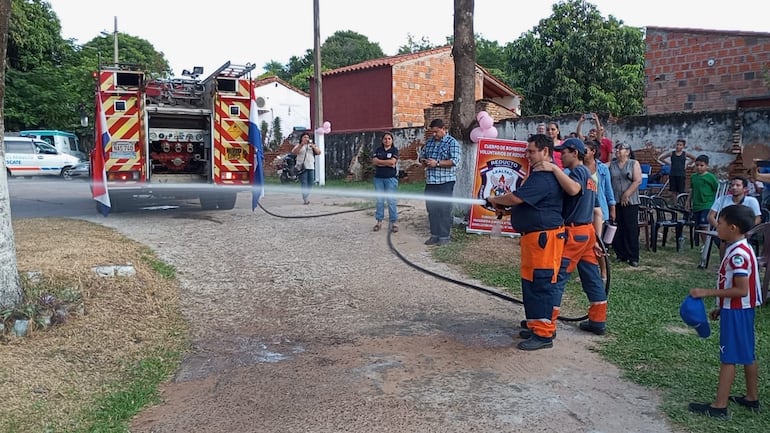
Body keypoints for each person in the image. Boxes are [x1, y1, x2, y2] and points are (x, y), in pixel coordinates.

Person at [487, 134, 565, 351]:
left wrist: (495, 199)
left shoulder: (544, 178)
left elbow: (516, 198)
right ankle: (535, 324)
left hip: (545, 240)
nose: (527, 155)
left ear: (546, 152)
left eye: (531, 151)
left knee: (541, 283)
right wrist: (509, 209)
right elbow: (527, 204)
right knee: (531, 282)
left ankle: (543, 335)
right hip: (535, 239)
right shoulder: (538, 175)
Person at [524, 138, 608, 337]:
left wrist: (553, 170)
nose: (561, 156)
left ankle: (546, 323)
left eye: (564, 152)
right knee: (592, 277)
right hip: (587, 232)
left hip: (573, 234)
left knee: (556, 277)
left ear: (575, 153)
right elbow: (597, 212)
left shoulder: (578, 172)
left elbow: (572, 190)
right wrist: (596, 238)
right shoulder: (590, 178)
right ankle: (598, 321)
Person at [688, 204, 762, 419]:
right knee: (747, 354)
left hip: (738, 311)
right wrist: (722, 306)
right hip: (740, 309)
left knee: (728, 357)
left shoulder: (738, 254)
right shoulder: (742, 247)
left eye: (719, 223)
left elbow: (740, 289)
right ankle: (751, 397)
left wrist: (706, 292)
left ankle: (719, 406)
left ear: (733, 227)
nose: (716, 226)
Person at [419, 119, 460, 246]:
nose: (434, 135)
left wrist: (436, 163)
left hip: (445, 182)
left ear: (444, 129)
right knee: (432, 209)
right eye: (432, 132)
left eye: (436, 132)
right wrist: (424, 161)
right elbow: (422, 156)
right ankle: (434, 235)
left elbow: (454, 161)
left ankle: (444, 236)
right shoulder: (429, 142)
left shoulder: (452, 143)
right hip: (431, 181)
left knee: (444, 209)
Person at [584, 139, 616, 281]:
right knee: (586, 243)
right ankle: (589, 271)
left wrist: (612, 208)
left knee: (597, 242)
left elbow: (608, 190)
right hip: (584, 209)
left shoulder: (602, 169)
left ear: (593, 152)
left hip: (599, 209)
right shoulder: (577, 167)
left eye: (586, 150)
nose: (582, 153)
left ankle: (603, 271)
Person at [609, 142, 642, 267]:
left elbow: (637, 180)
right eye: (616, 148)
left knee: (630, 228)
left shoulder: (633, 163)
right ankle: (620, 254)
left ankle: (633, 256)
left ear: (627, 151)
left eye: (620, 149)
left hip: (630, 200)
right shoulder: (612, 164)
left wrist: (626, 194)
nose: (617, 150)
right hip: (616, 200)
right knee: (618, 228)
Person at [371, 132, 399, 233]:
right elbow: (374, 162)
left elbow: (392, 162)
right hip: (378, 179)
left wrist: (380, 162)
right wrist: (386, 163)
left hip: (390, 179)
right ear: (382, 140)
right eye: (385, 139)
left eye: (389, 139)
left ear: (392, 140)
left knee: (391, 201)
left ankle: (394, 223)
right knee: (379, 201)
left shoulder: (394, 150)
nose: (387, 140)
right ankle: (379, 222)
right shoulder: (378, 150)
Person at [690, 155, 719, 246]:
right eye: (697, 165)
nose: (699, 167)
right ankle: (704, 244)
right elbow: (692, 190)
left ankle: (707, 245)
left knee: (704, 225)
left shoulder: (710, 177)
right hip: (696, 204)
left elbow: (717, 189)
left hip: (707, 204)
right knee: (698, 226)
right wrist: (688, 202)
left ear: (707, 166)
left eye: (701, 165)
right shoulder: (693, 177)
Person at [292, 132, 321, 205]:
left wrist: (313, 147)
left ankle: (306, 195)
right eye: (304, 137)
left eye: (307, 137)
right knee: (304, 182)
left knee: (311, 183)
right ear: (301, 138)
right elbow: (294, 152)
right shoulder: (299, 145)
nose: (306, 139)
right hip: (302, 167)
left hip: (310, 166)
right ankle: (305, 198)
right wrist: (302, 145)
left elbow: (319, 152)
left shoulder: (311, 146)